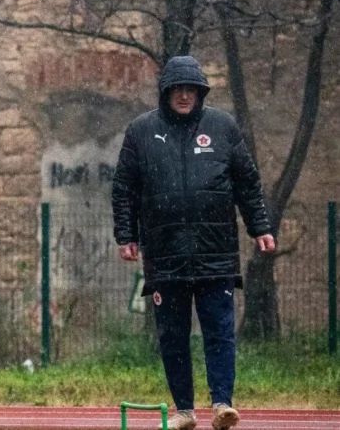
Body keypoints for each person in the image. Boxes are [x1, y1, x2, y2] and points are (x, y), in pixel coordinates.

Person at [112, 55, 275, 430]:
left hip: (215, 255)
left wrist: (260, 227)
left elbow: (247, 183)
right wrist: (127, 235)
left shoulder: (223, 127)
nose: (184, 95)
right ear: (166, 92)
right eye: (177, 89)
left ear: (200, 92)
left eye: (191, 89)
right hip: (164, 256)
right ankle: (184, 410)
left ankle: (222, 405)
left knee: (219, 332)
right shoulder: (140, 131)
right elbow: (124, 189)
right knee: (172, 336)